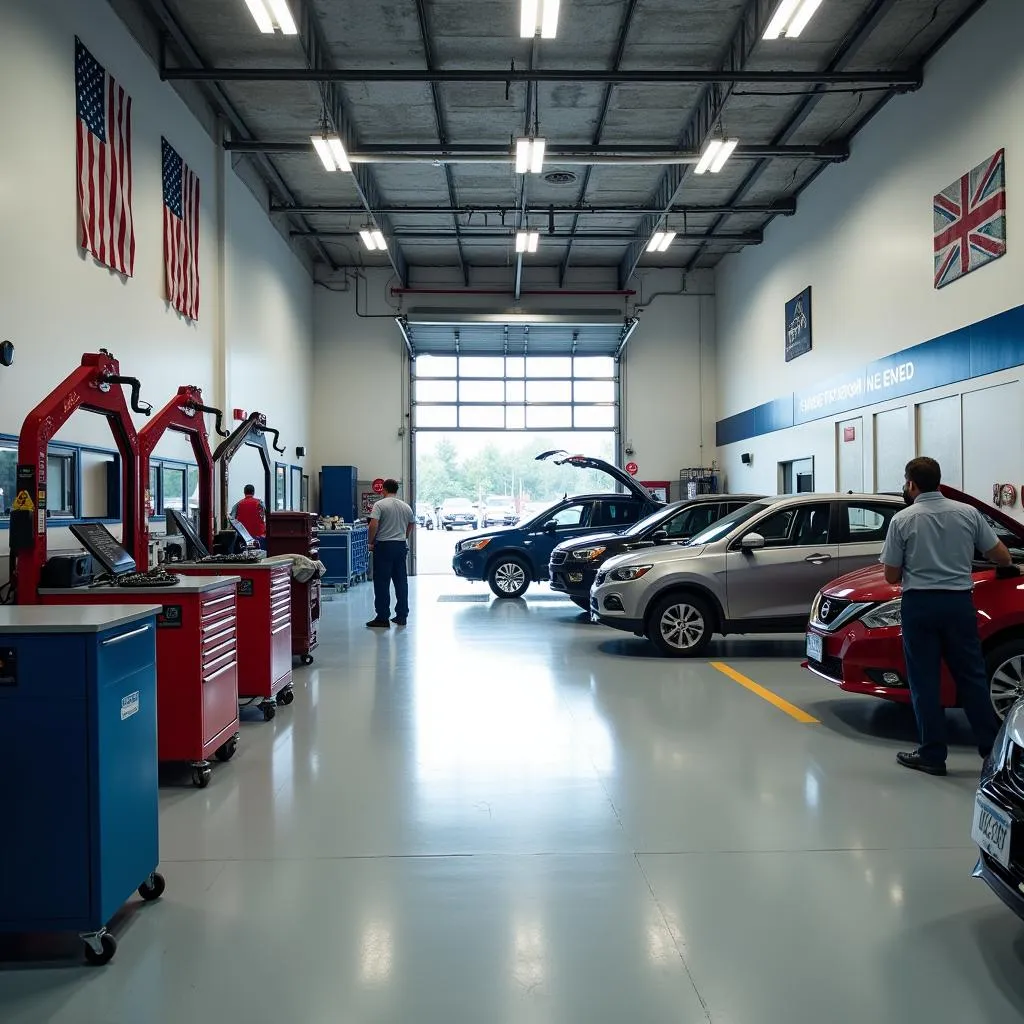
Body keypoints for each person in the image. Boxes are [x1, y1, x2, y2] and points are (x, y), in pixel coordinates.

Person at [880, 457, 1013, 776]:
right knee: (972, 678)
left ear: (911, 484)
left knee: (924, 681)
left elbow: (890, 576)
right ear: (938, 481)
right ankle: (992, 754)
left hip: (920, 606)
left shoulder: (903, 520)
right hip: (958, 605)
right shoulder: (968, 514)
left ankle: (932, 754)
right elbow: (1002, 557)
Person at [366, 479, 415, 628]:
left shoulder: (380, 505)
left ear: (384, 490)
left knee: (382, 582)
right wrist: (404, 536)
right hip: (400, 546)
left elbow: (373, 524)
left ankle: (382, 617)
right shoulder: (406, 506)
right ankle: (402, 616)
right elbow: (411, 523)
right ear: (396, 490)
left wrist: (370, 541)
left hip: (384, 546)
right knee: (401, 582)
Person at [230, 484, 267, 548]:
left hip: (243, 537)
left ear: (244, 492)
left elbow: (232, 519)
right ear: (253, 492)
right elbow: (267, 515)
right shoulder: (260, 503)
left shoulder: (238, 504)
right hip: (259, 536)